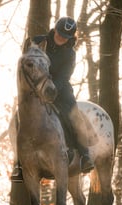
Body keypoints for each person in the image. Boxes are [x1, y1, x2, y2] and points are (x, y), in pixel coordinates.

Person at [11, 17, 95, 182]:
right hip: (35, 88)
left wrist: (50, 90)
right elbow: (27, 64)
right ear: (54, 29)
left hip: (59, 90)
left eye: (66, 36)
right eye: (60, 33)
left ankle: (85, 156)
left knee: (74, 115)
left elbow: (64, 77)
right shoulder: (37, 42)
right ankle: (18, 164)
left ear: (71, 38)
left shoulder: (70, 54)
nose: (61, 38)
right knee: (17, 121)